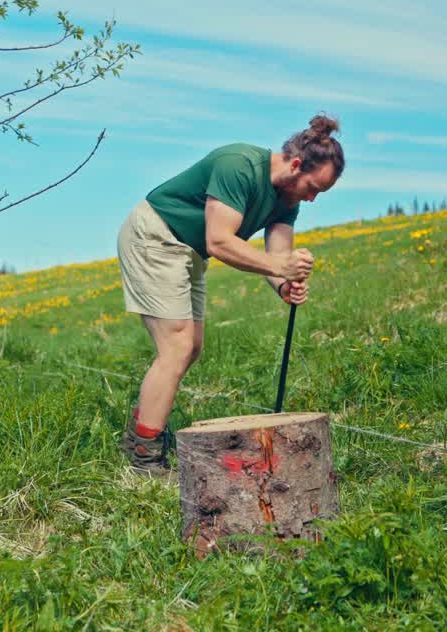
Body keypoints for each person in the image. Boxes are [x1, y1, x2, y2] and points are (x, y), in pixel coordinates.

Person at [115, 114, 345, 477]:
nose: (313, 198)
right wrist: (279, 267)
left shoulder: (289, 197)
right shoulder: (238, 165)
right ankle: (144, 457)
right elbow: (219, 241)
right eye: (313, 187)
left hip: (188, 251)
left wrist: (285, 283)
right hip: (156, 236)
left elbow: (277, 258)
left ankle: (144, 425)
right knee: (175, 346)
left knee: (191, 348)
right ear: (296, 164)